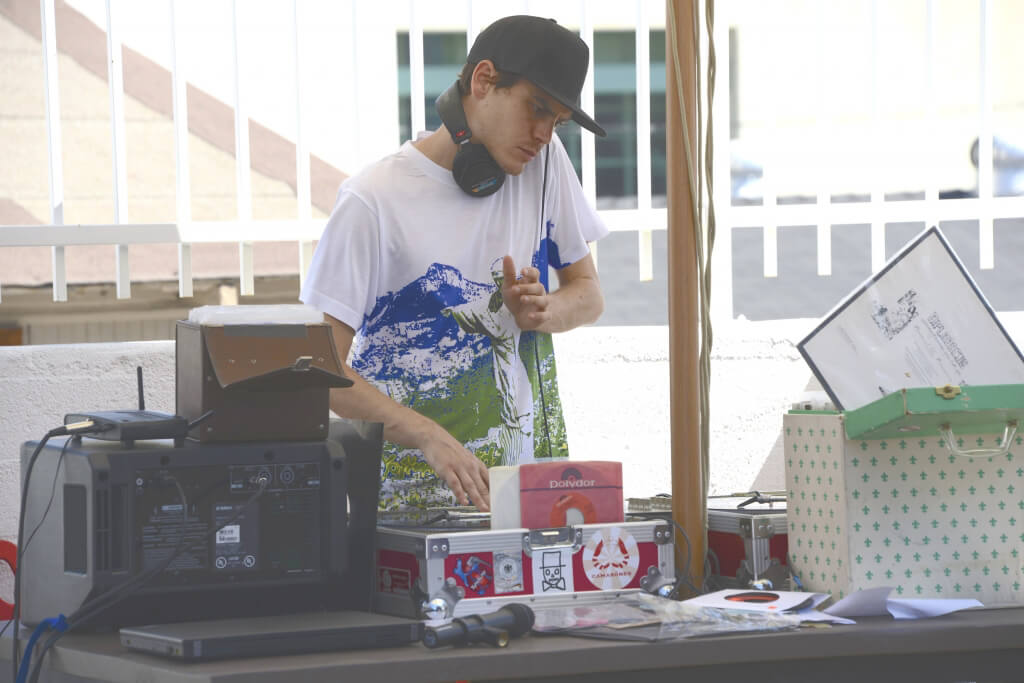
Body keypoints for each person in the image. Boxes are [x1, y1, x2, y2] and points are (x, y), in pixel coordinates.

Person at [300, 15, 609, 512]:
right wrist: (426, 435)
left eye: (557, 121)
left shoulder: (547, 168)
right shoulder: (373, 200)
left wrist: (544, 311)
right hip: (402, 509)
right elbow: (319, 366)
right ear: (484, 80)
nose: (544, 134)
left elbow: (588, 293)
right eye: (537, 109)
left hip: (521, 496)